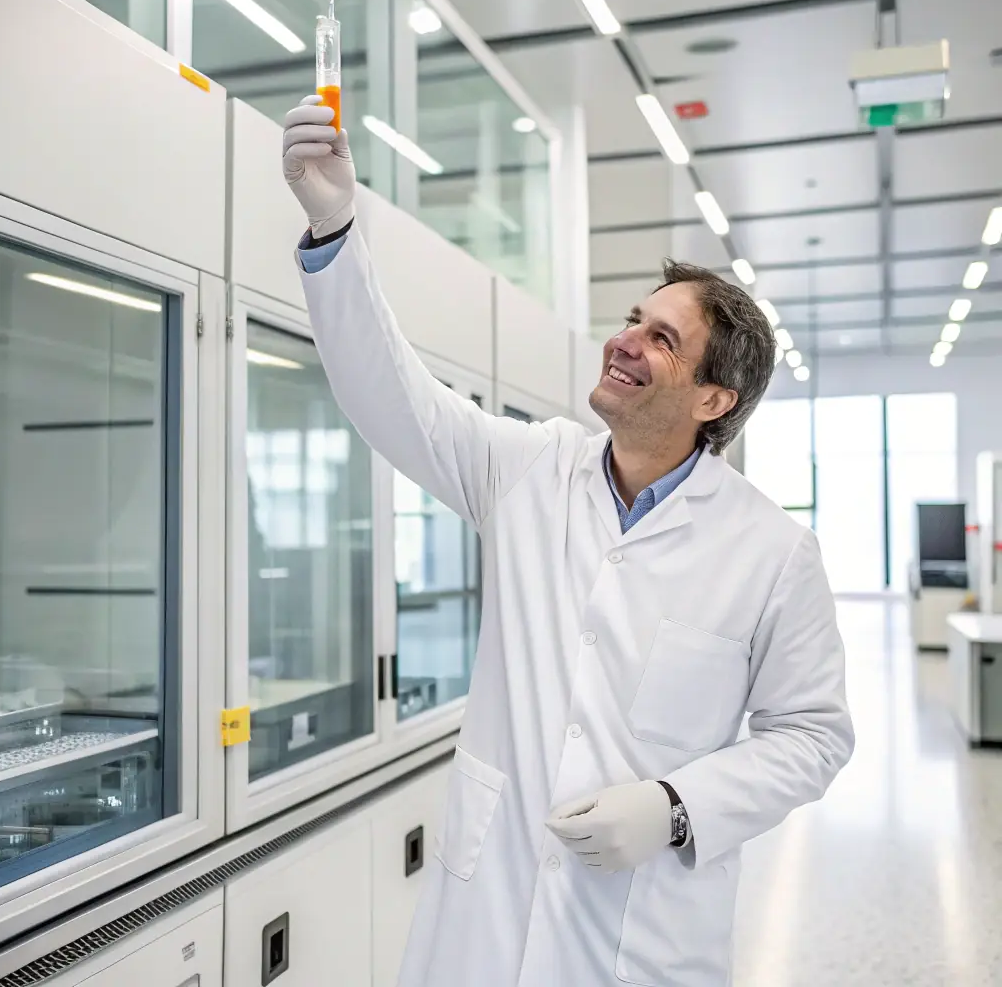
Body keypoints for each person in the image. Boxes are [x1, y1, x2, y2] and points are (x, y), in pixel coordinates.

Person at [282, 97, 854, 987]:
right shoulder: (530, 472)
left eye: (661, 339)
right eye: (633, 317)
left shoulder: (772, 554)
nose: (623, 341)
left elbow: (813, 735)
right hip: (491, 911)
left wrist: (675, 807)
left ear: (714, 400)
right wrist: (333, 228)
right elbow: (392, 397)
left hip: (642, 931)